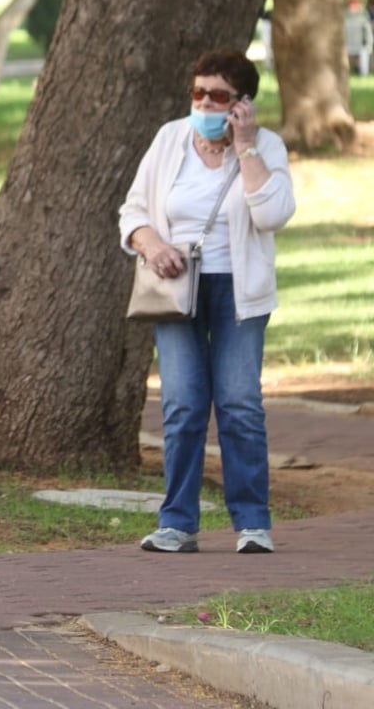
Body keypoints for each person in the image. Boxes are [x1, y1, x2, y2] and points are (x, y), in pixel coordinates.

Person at [119, 49, 296, 555]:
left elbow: (273, 214)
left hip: (240, 291)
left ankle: (252, 522)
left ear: (241, 103)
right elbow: (133, 209)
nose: (203, 102)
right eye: (197, 92)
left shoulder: (265, 147)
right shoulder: (170, 138)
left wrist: (245, 147)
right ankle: (177, 522)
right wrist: (153, 245)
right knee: (182, 405)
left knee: (239, 404)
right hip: (177, 288)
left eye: (216, 95)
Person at [343, 0, 373, 76]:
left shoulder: (363, 15)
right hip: (346, 45)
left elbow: (368, 32)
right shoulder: (344, 15)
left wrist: (368, 45)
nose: (354, 7)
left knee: (364, 53)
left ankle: (363, 74)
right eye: (352, 5)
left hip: (360, 45)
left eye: (356, 5)